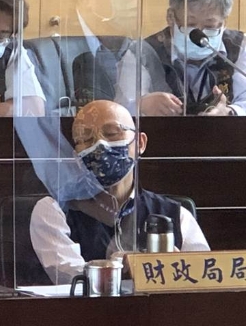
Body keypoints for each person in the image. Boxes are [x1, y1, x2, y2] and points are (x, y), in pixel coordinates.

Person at [30, 100, 209, 284]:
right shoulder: (54, 210)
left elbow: (205, 278)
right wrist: (129, 265)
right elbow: (75, 278)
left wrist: (180, 266)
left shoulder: (176, 214)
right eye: (86, 139)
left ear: (140, 143)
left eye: (112, 133)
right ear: (76, 156)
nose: (100, 145)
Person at [115, 0, 246, 116]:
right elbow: (120, 108)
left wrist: (229, 112)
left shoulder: (240, 47)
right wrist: (143, 104)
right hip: (164, 130)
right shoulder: (143, 51)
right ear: (171, 17)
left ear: (223, 23)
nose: (199, 34)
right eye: (190, 24)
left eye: (210, 26)